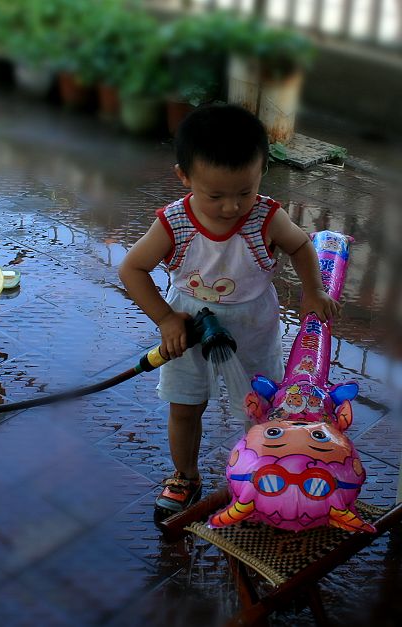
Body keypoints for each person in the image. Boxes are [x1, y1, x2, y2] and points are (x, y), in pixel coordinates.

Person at [118, 104, 341, 515]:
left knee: (260, 406)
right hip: (188, 329)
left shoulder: (266, 217)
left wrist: (313, 290)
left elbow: (301, 245)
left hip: (253, 326)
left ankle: (264, 471)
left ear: (262, 171)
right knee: (185, 406)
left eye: (245, 191)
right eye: (215, 195)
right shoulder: (174, 223)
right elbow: (132, 268)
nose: (231, 207)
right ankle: (184, 476)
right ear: (184, 177)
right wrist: (165, 319)